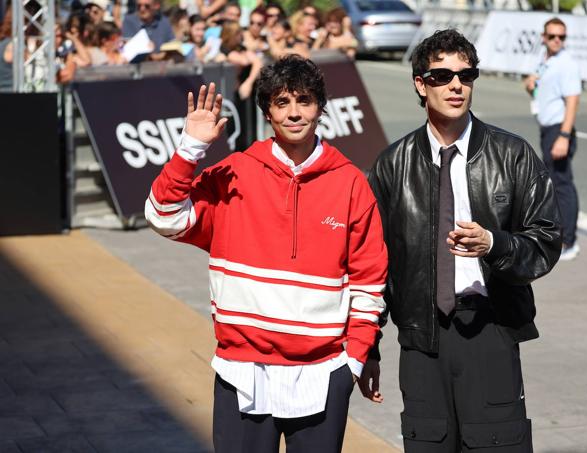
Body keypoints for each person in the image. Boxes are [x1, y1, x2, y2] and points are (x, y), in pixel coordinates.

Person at [144, 55, 387, 453]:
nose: (294, 113)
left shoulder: (351, 183)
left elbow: (369, 279)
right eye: (281, 102)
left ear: (321, 108)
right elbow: (163, 216)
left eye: (304, 100)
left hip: (322, 373)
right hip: (242, 372)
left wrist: (354, 359)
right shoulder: (235, 171)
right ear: (267, 112)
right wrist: (189, 150)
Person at [364, 29, 562, 452]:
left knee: (496, 443)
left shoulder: (513, 155)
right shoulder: (391, 165)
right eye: (442, 76)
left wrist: (496, 244)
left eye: (466, 75)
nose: (456, 85)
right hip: (421, 336)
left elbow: (546, 243)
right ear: (420, 83)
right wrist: (369, 345)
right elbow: (372, 264)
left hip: (491, 329)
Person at [525, 17, 581, 261]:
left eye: (562, 37)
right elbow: (540, 89)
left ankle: (568, 240)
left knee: (562, 185)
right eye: (552, 36)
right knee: (555, 183)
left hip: (559, 130)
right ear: (543, 37)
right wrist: (531, 86)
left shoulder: (566, 63)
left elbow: (572, 100)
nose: (557, 40)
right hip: (548, 129)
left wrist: (564, 136)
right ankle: (561, 235)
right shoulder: (546, 59)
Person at [216, 20, 262, 99]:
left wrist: (249, 82)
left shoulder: (241, 47)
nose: (240, 35)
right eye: (237, 33)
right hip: (228, 92)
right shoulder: (223, 48)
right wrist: (246, 56)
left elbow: (257, 62)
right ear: (229, 35)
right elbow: (244, 61)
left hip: (244, 90)